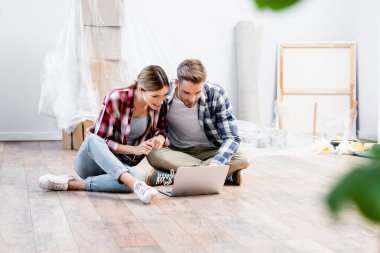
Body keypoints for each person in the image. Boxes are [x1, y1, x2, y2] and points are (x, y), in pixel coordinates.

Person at [38, 65, 170, 204]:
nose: (160, 101)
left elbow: (162, 130)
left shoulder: (159, 105)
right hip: (92, 163)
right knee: (93, 140)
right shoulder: (115, 99)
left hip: (119, 168)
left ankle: (70, 184)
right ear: (141, 89)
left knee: (138, 178)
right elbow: (100, 141)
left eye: (164, 95)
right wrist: (134, 150)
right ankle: (135, 184)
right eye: (155, 96)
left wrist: (160, 138)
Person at [145, 59, 250, 186]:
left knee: (243, 158)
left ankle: (172, 177)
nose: (192, 98)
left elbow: (232, 137)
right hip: (178, 152)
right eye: (186, 93)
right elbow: (154, 127)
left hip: (211, 151)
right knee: (152, 153)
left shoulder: (216, 94)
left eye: (197, 92)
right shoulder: (164, 94)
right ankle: (222, 176)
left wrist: (216, 163)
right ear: (177, 83)